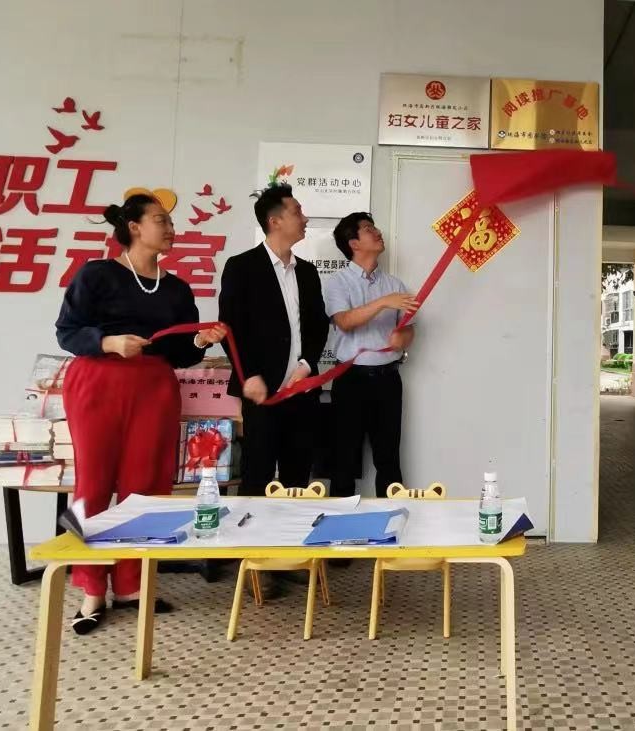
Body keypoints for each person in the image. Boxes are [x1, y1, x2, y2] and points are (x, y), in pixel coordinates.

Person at [56, 193, 226, 634]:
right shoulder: (97, 274)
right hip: (97, 380)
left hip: (154, 387)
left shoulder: (177, 288)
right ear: (134, 227)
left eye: (170, 222)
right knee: (93, 483)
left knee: (147, 485)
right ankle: (92, 588)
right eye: (160, 220)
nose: (170, 229)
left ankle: (132, 584)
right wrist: (109, 343)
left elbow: (180, 353)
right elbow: (67, 331)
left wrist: (200, 341)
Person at [218, 184, 329, 495]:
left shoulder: (307, 273)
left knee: (298, 478)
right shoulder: (242, 267)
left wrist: (307, 364)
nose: (305, 218)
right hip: (261, 392)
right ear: (275, 221)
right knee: (257, 476)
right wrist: (249, 374)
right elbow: (230, 327)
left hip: (301, 391)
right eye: (297, 212)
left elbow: (318, 326)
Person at [324, 212, 418, 497]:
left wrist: (402, 338)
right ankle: (339, 521)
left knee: (389, 458)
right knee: (344, 458)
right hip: (350, 379)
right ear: (353, 243)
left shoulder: (394, 284)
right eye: (368, 229)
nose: (378, 232)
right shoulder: (338, 282)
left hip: (388, 379)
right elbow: (344, 321)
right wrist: (383, 302)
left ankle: (393, 518)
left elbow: (408, 329)